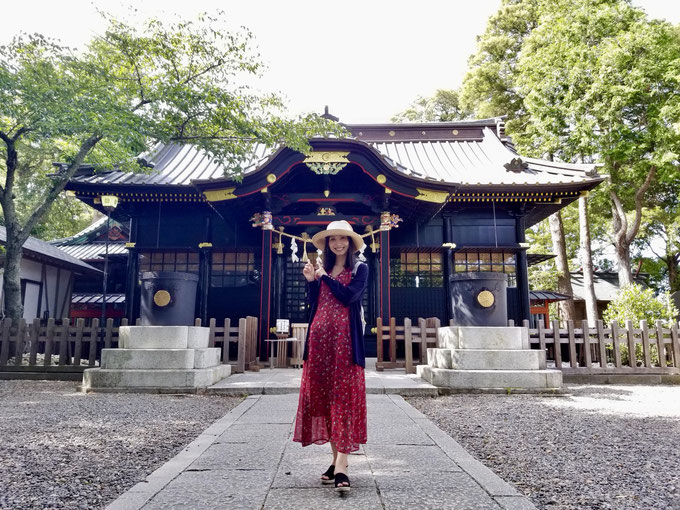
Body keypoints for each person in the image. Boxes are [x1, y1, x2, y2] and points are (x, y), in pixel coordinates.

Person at [292, 220, 369, 494]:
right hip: (320, 340)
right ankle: (336, 461)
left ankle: (343, 466)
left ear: (350, 243)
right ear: (327, 243)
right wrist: (312, 281)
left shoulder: (360, 268)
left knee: (344, 400)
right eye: (332, 239)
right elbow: (317, 301)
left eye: (343, 239)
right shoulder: (323, 269)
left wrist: (324, 277)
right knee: (325, 399)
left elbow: (349, 296)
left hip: (345, 342)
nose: (337, 243)